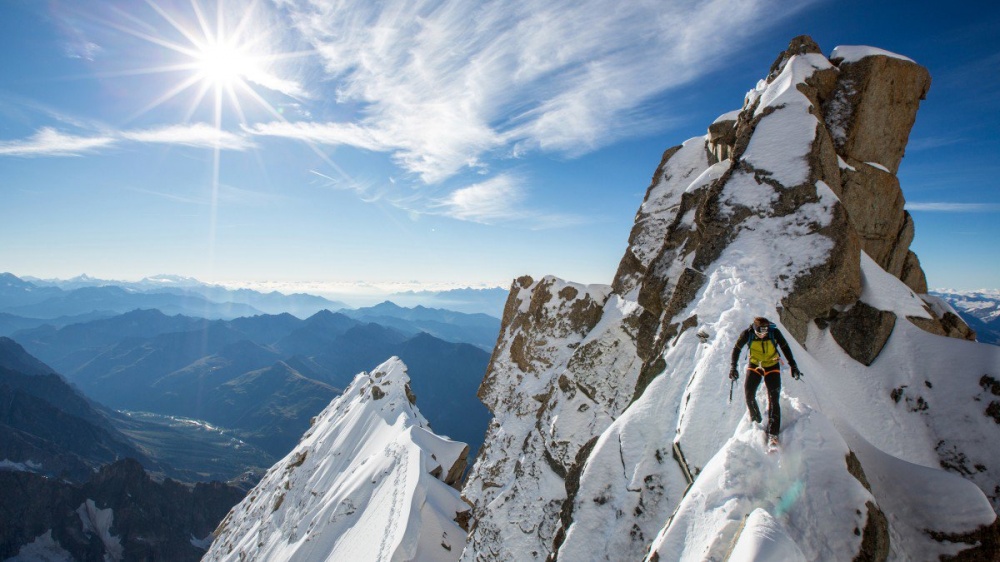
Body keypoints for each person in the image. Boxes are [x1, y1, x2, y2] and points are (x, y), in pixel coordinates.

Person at [729, 317, 802, 446]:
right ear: (755, 330)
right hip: (755, 365)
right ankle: (756, 422)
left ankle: (773, 434)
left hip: (772, 366)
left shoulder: (774, 333)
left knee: (774, 399)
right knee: (749, 394)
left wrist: (793, 366)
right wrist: (733, 367)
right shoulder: (748, 333)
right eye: (759, 333)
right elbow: (736, 349)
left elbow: (785, 347)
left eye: (764, 333)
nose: (762, 335)